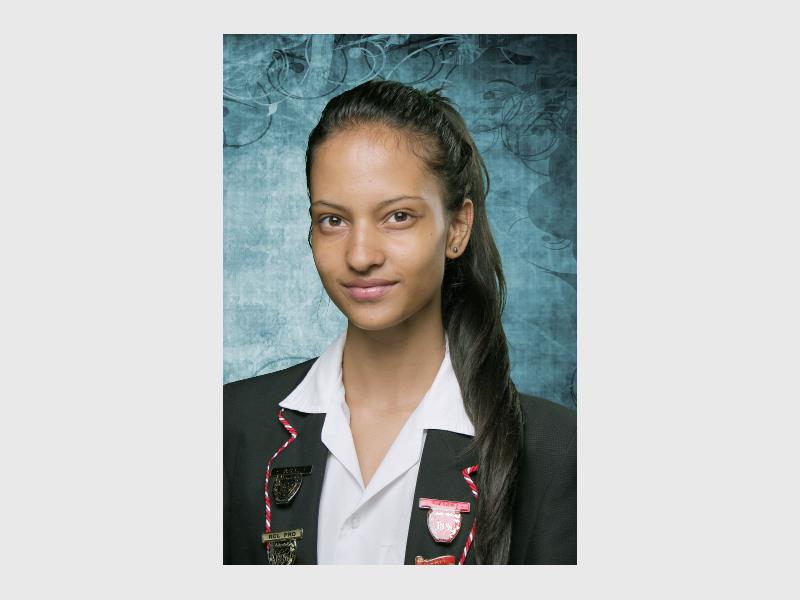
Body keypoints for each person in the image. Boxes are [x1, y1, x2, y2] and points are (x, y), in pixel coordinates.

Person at [223, 79, 576, 565]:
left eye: (398, 217)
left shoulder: (556, 449)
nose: (360, 255)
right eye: (333, 220)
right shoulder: (229, 425)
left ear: (457, 228)